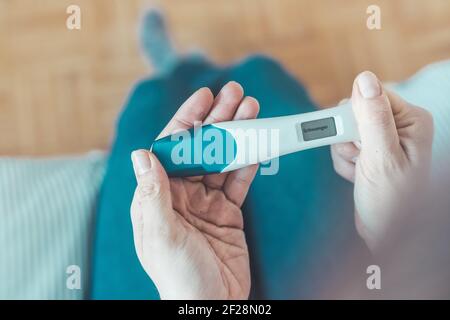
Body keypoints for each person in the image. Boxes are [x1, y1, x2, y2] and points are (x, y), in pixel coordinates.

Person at [94, 9, 444, 299]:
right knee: (261, 77)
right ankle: (196, 69)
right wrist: (390, 231)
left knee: (145, 115)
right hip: (339, 275)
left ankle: (173, 71)